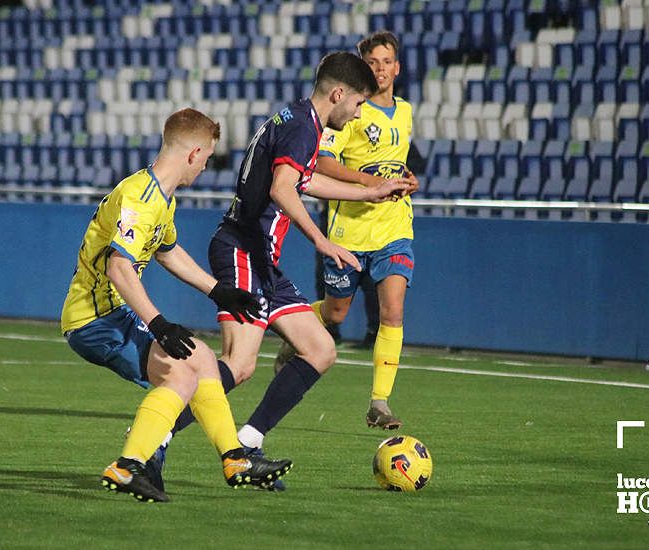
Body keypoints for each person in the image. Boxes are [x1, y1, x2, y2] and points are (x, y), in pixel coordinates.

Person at [153, 52, 411, 493]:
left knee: (320, 349)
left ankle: (248, 443)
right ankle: (152, 439)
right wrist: (322, 240)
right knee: (240, 363)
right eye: (359, 103)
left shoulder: (297, 120)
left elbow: (304, 181)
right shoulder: (300, 127)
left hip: (262, 260)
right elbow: (282, 189)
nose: (359, 113)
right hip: (242, 251)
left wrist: (370, 189)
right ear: (338, 94)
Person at [61, 108, 292, 503]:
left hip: (111, 313)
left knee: (201, 359)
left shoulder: (160, 198)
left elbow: (167, 251)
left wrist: (218, 290)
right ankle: (127, 464)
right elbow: (119, 268)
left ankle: (235, 459)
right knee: (180, 378)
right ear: (192, 153)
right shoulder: (140, 198)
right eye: (206, 158)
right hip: (94, 319)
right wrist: (160, 324)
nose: (205, 167)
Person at [277, 31, 419, 430]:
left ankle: (380, 402)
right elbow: (320, 163)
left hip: (394, 227)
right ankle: (295, 332)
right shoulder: (350, 112)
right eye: (372, 62)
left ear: (397, 67)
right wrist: (366, 184)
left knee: (393, 311)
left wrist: (407, 180)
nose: (381, 69)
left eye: (387, 61)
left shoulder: (405, 112)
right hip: (349, 230)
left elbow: (394, 164)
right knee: (337, 312)